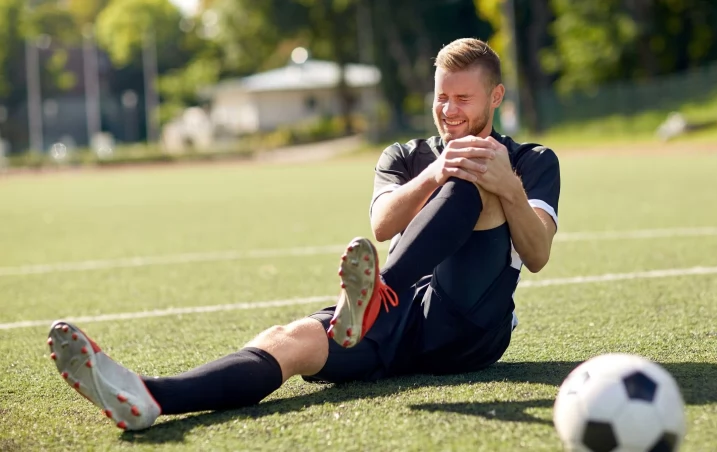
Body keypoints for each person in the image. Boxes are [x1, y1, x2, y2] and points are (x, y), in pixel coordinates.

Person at [45, 37, 561, 431]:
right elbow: (382, 224)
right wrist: (434, 172)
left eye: (463, 98)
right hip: (397, 319)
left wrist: (508, 188)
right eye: (441, 97)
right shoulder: (404, 156)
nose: (449, 111)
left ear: (495, 95)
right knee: (290, 341)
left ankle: (376, 299)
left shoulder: (533, 161)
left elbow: (536, 255)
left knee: (480, 180)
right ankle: (148, 396)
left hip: (468, 324)